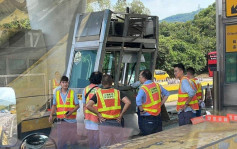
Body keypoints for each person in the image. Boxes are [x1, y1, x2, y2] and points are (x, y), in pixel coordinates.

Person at [86, 74, 131, 147]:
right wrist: (121, 114)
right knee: (118, 146)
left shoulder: (98, 93)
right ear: (111, 82)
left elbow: (88, 105)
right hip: (117, 122)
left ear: (102, 83)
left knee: (105, 146)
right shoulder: (117, 92)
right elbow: (128, 102)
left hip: (104, 123)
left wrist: (98, 114)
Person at [49, 76, 79, 149]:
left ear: (68, 83)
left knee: (73, 142)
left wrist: (71, 111)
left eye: (66, 82)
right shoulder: (57, 93)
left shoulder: (72, 93)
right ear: (60, 84)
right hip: (61, 121)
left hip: (72, 121)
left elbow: (77, 105)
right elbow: (54, 105)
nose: (65, 84)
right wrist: (51, 115)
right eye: (63, 82)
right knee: (62, 142)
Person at [136, 69, 170, 136]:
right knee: (157, 136)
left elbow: (138, 100)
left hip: (147, 116)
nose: (139, 78)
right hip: (157, 115)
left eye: (139, 77)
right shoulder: (157, 85)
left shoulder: (143, 88)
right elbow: (167, 94)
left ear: (144, 78)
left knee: (148, 138)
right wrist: (160, 104)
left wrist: (141, 110)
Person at [82, 71, 102, 149]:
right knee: (97, 141)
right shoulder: (100, 90)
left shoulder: (85, 89)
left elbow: (84, 105)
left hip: (88, 118)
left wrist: (85, 117)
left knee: (91, 141)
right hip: (97, 119)